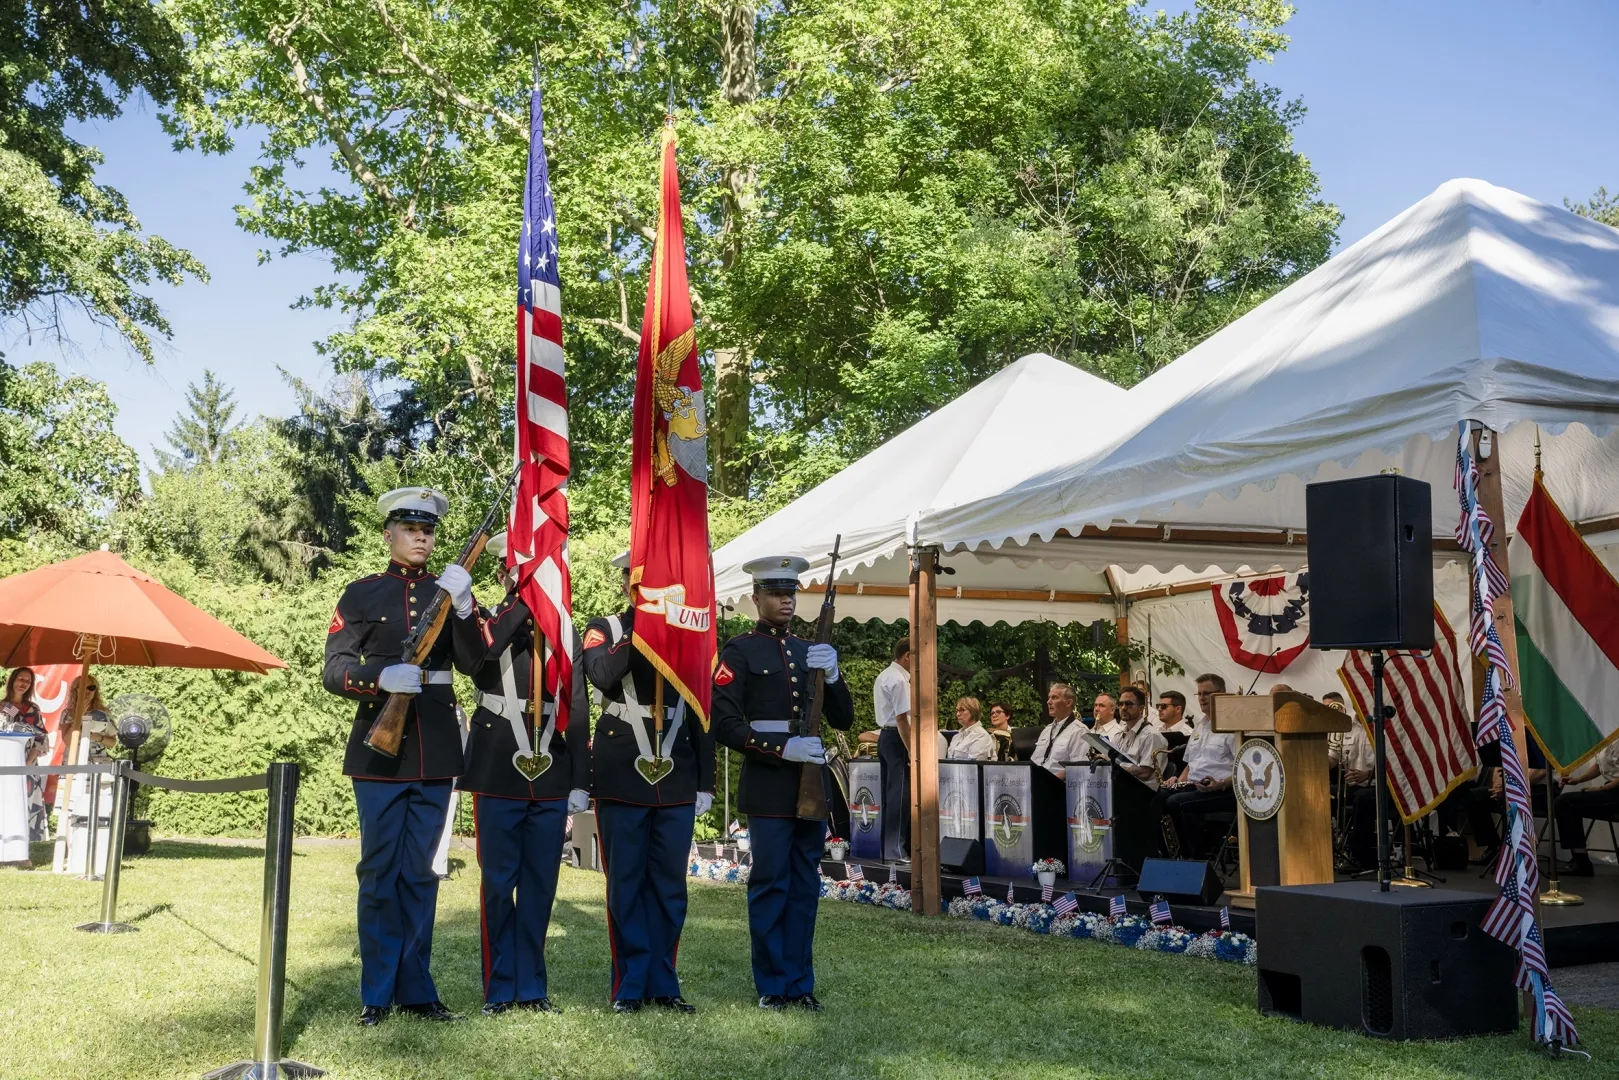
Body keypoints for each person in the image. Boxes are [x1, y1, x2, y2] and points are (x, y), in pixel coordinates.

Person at [322, 486, 485, 1026]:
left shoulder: (453, 590)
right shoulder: (362, 593)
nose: (421, 536)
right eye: (411, 528)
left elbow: (475, 663)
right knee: (378, 871)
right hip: (379, 751)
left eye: (428, 529)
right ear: (389, 534)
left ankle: (416, 989)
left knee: (419, 873)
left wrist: (463, 606)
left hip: (434, 751)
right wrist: (376, 677)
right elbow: (334, 668)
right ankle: (376, 992)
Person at [712, 555, 854, 1011]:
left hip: (810, 781)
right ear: (755, 598)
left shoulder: (808, 650)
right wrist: (778, 748)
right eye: (775, 593)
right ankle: (772, 983)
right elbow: (724, 722)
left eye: (790, 592)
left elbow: (844, 718)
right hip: (771, 781)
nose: (785, 600)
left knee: (804, 884)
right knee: (772, 882)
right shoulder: (739, 651)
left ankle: (800, 982)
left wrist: (833, 677)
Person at [458, 533, 590, 1016]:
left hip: (551, 772)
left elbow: (576, 709)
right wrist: (523, 605)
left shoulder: (564, 631)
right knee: (497, 883)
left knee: (540, 884)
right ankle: (498, 986)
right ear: (505, 574)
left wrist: (580, 780)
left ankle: (531, 986)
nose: (532, 577)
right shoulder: (486, 620)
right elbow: (478, 661)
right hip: (497, 769)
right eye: (522, 569)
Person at [582, 554, 715, 1014]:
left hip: (676, 771)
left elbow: (702, 708)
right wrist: (644, 624)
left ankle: (664, 981)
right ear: (626, 584)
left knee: (669, 885)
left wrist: (707, 780)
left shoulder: (690, 630)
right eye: (639, 581)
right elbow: (600, 674)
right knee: (625, 883)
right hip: (622, 774)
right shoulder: (607, 628)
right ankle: (630, 982)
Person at [1153, 673, 1237, 857]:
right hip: (1194, 785)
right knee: (1156, 796)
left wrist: (1221, 784)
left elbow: (1244, 769)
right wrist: (1177, 780)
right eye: (1199, 694)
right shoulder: (1200, 725)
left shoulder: (1233, 726)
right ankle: (1165, 856)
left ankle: (1196, 858)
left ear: (1222, 694)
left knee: (1177, 803)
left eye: (1206, 693)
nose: (1201, 698)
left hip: (1222, 790)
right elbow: (1191, 764)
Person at [1325, 692, 1379, 869]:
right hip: (1351, 786)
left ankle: (1358, 854)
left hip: (1380, 787)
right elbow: (1333, 758)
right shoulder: (1344, 725)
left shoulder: (1382, 726)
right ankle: (1325, 848)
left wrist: (1369, 774)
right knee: (1321, 793)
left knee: (1363, 798)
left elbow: (1396, 763)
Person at [871, 637, 913, 859]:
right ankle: (896, 849)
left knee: (890, 796)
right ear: (908, 655)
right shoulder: (899, 679)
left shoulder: (884, 675)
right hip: (897, 738)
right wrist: (912, 750)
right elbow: (902, 720)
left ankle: (887, 849)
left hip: (885, 737)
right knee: (900, 795)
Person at [1554, 740, 1619, 877]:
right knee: (1567, 803)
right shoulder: (1606, 738)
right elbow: (1598, 766)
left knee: (1565, 803)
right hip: (1610, 790)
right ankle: (1580, 859)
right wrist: (1577, 780)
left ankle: (1581, 862)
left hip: (1615, 792)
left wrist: (1600, 788)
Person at [1, 668, 49, 841]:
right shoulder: (2, 706)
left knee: (26, 802)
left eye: (27, 682)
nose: (23, 684)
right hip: (4, 761)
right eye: (20, 679)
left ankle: (24, 846)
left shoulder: (33, 709)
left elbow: (41, 736)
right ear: (13, 680)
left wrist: (28, 762)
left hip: (28, 762)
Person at [1031, 683, 1087, 779]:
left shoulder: (1079, 731)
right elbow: (1035, 760)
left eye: (1054, 698)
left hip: (1058, 787)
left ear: (1068, 703)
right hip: (1036, 782)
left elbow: (1079, 767)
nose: (1048, 702)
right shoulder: (1047, 729)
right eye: (1049, 698)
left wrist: (1051, 782)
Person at [946, 697, 995, 761]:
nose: (958, 714)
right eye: (957, 710)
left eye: (962, 710)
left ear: (973, 711)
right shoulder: (956, 737)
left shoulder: (981, 736)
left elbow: (974, 766)